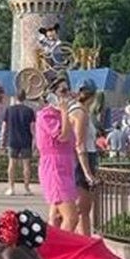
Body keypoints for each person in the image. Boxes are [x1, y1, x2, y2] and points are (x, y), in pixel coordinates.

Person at [35, 74, 78, 229]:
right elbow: (63, 136)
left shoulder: (59, 114)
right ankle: (65, 249)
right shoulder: (46, 115)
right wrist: (65, 111)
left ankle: (51, 248)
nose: (67, 95)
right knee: (71, 217)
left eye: (68, 91)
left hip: (65, 165)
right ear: (52, 95)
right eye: (63, 91)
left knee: (56, 216)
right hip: (55, 166)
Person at [70, 78, 100, 235]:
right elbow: (79, 144)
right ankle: (84, 244)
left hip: (84, 158)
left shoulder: (77, 110)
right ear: (93, 96)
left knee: (81, 209)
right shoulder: (80, 113)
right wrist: (88, 173)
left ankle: (83, 242)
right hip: (83, 160)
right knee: (83, 209)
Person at [2, 88, 36, 196]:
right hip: (26, 140)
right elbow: (33, 128)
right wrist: (35, 142)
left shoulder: (9, 110)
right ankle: (26, 188)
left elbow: (4, 127)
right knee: (26, 165)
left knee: (12, 164)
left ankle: (11, 187)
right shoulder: (29, 110)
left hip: (12, 139)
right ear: (25, 97)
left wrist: (3, 140)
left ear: (16, 97)